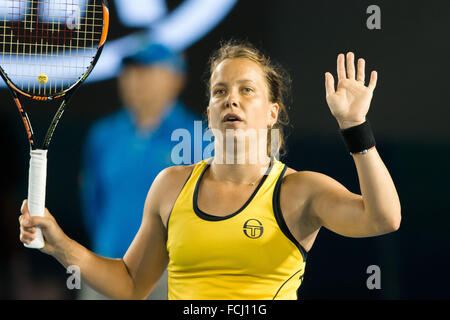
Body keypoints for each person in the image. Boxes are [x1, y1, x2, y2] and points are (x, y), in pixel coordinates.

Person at [18, 40, 401, 300]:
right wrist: (59, 245)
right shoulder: (170, 185)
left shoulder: (300, 190)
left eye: (246, 90)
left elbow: (382, 217)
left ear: (272, 114)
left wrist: (355, 128)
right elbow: (132, 284)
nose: (230, 97)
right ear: (209, 113)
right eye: (220, 91)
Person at [79, 43, 201, 299]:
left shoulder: (200, 138)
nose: (136, 79)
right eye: (130, 70)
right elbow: (93, 200)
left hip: (174, 274)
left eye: (148, 69)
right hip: (107, 265)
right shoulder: (104, 135)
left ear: (176, 78)